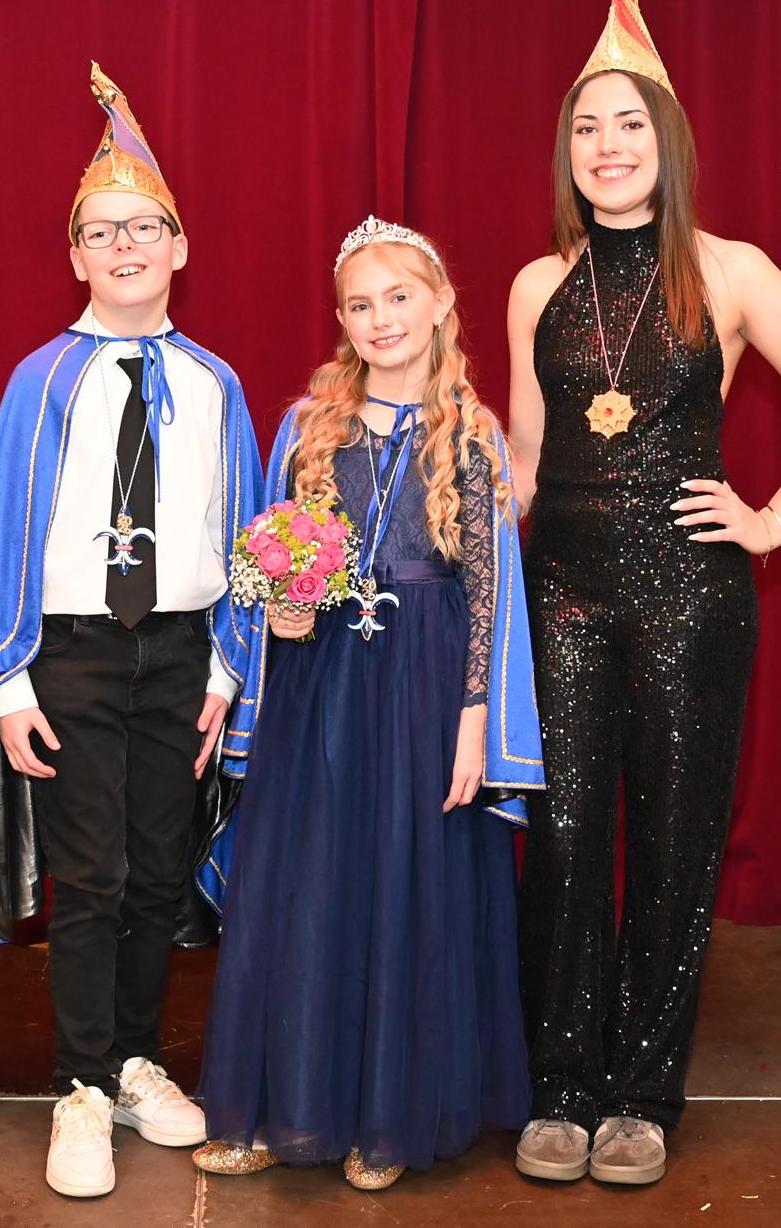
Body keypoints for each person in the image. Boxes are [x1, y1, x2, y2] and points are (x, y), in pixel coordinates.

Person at [504, 0, 781, 1187]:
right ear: (564, 153)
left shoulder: (731, 271)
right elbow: (522, 459)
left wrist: (770, 519)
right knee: (564, 837)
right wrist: (417, 524)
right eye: (584, 129)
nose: (605, 145)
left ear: (665, 140)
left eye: (626, 124)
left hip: (688, 596)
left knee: (671, 841)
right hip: (557, 592)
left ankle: (638, 1094)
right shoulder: (534, 285)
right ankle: (560, 1082)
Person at [0, 64, 264, 1199]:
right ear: (73, 256)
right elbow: (5, 533)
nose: (123, 246)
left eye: (143, 228)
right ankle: (78, 1083)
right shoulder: (43, 379)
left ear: (179, 246)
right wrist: (11, 683)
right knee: (94, 871)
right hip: (70, 649)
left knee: (159, 865)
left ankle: (132, 1061)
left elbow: (239, 533)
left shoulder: (214, 385)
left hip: (179, 652)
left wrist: (227, 667)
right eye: (100, 231)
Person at [190, 218, 543, 1190]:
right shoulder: (310, 426)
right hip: (323, 685)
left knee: (401, 881)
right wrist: (280, 610)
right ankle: (280, 1103)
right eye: (360, 303)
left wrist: (475, 718)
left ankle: (384, 1116)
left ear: (440, 304)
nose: (381, 318)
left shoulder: (470, 435)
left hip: (424, 687)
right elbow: (269, 565)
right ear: (341, 319)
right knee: (305, 878)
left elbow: (487, 591)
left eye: (398, 297)